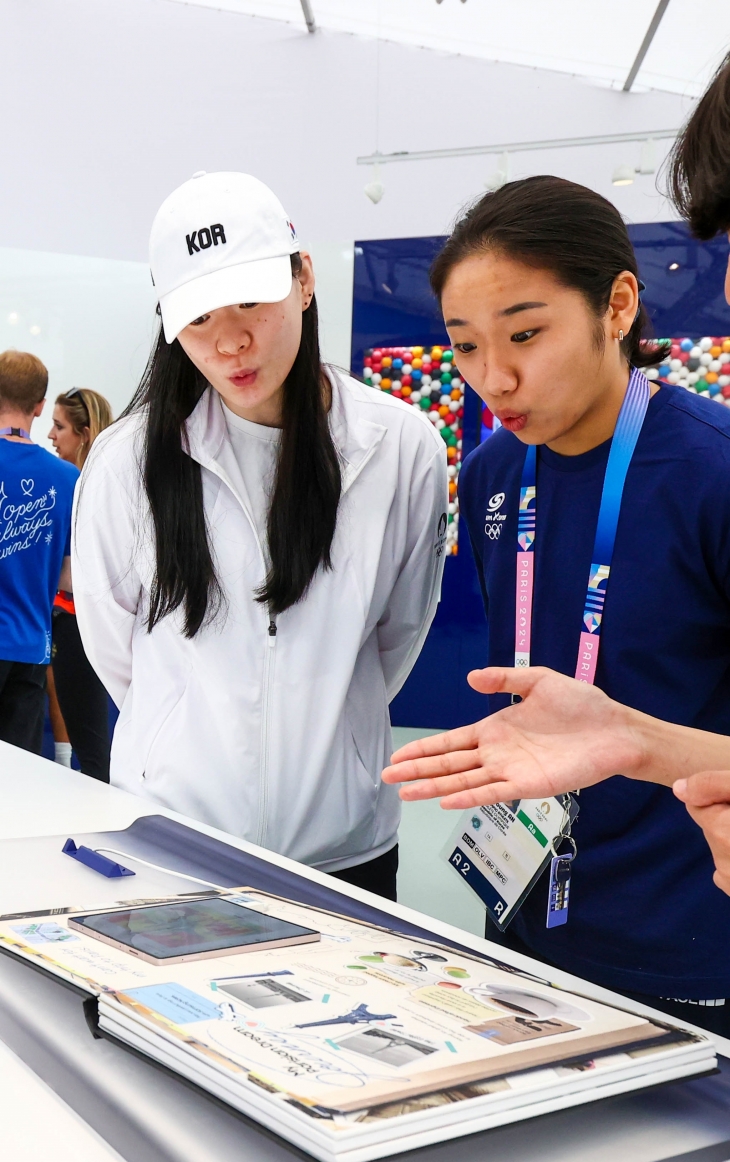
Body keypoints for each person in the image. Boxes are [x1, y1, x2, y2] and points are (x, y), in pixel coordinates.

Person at [384, 175, 730, 1035]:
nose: (492, 377)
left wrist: (640, 743)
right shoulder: (496, 473)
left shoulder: (711, 472)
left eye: (527, 334)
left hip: (684, 926)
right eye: (464, 346)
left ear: (617, 306)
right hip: (526, 903)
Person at [72, 171, 447, 901]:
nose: (231, 339)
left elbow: (396, 634)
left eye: (250, 300)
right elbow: (117, 648)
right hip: (171, 845)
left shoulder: (399, 447)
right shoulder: (127, 461)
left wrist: (328, 738)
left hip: (347, 853)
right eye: (199, 316)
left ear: (303, 278)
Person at [0, 351, 78, 753]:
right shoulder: (67, 478)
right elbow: (69, 577)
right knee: (15, 784)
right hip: (31, 647)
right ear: (40, 406)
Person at [46, 387, 114, 781]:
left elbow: (85, 573)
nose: (51, 436)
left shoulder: (91, 487)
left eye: (59, 427)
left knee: (92, 752)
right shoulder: (77, 485)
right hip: (71, 621)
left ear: (84, 433)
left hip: (81, 624)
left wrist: (27, 566)